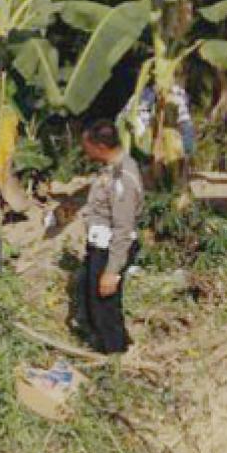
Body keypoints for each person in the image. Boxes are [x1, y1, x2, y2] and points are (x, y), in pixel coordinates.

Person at [76, 119, 145, 355]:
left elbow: (123, 229)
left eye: (88, 147)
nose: (85, 151)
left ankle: (115, 355)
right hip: (100, 245)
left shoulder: (122, 179)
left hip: (111, 249)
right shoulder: (110, 170)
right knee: (92, 302)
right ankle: (110, 347)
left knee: (105, 308)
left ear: (101, 147)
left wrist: (112, 271)